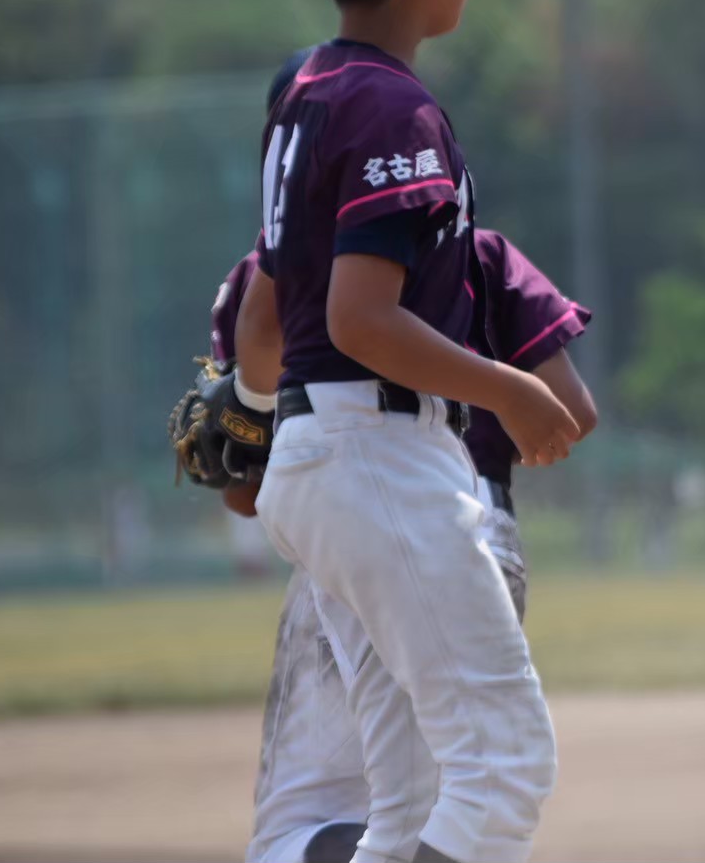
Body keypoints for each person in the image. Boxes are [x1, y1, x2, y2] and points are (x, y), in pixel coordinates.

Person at [222, 0, 583, 863]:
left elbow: (263, 318)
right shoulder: (394, 106)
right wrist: (507, 387)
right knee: (504, 765)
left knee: (410, 801)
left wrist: (254, 426)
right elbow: (360, 320)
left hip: (324, 459)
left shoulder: (309, 92)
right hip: (378, 457)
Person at [202, 222, 593, 860]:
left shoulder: (270, 270)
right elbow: (572, 411)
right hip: (483, 537)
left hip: (359, 522)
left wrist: (239, 447)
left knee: (311, 823)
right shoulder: (481, 253)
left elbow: (243, 498)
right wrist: (486, 424)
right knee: (457, 796)